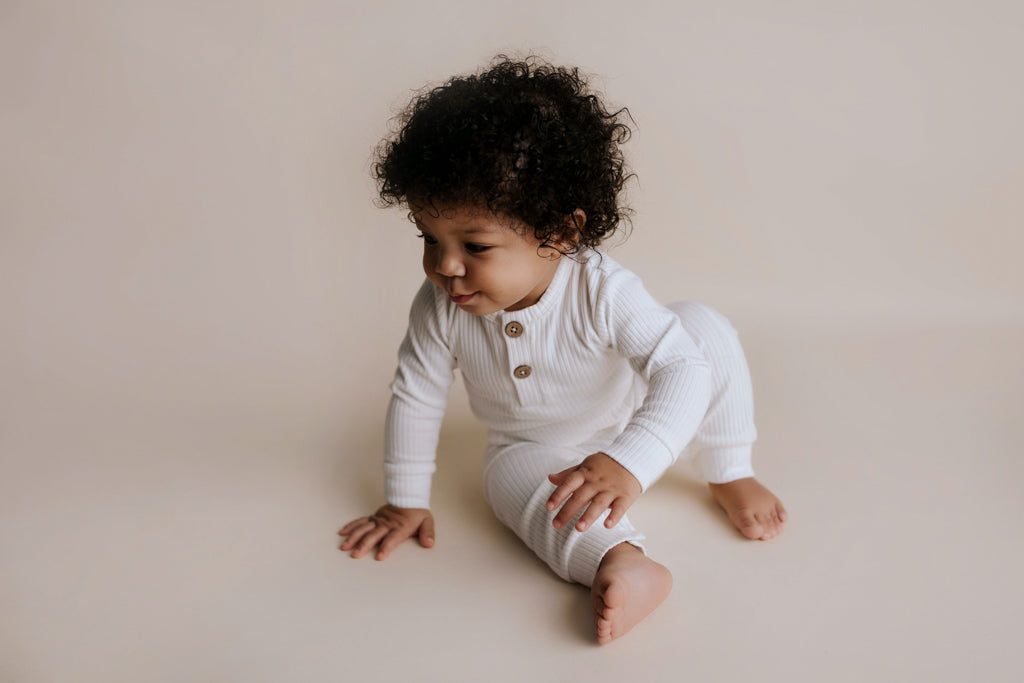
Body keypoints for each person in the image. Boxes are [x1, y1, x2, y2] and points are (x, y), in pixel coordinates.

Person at [339, 56, 787, 644]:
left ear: (562, 233)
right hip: (535, 447)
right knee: (506, 484)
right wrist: (403, 501)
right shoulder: (438, 304)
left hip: (630, 413)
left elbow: (679, 369)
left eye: (475, 245)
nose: (446, 267)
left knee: (700, 330)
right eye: (430, 238)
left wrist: (632, 458)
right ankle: (620, 560)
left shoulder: (601, 286)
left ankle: (729, 470)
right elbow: (416, 396)